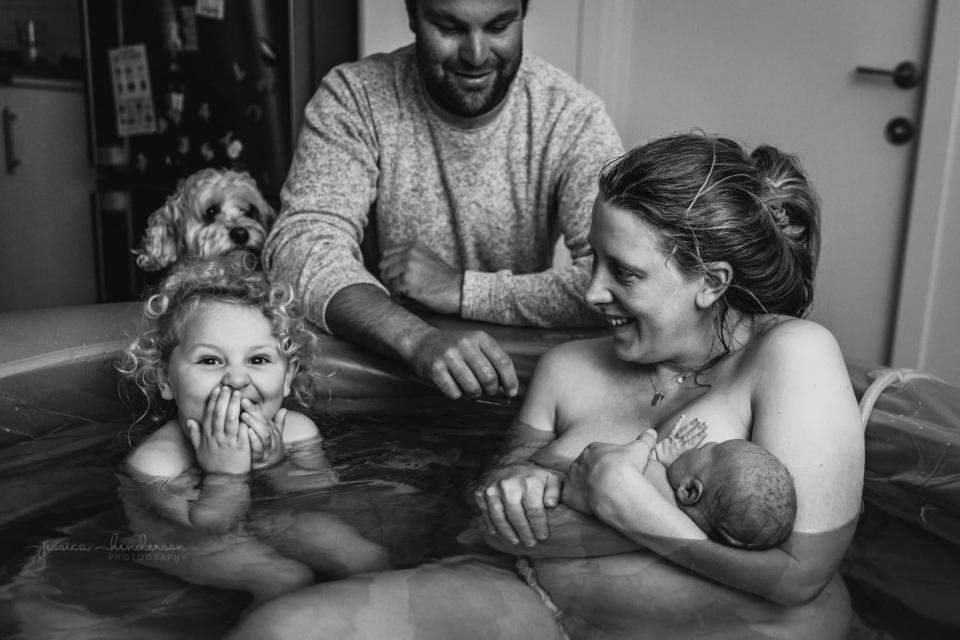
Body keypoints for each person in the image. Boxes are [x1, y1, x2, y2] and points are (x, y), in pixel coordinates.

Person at [227, 133, 863, 639]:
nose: (592, 293)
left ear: (712, 281)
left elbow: (797, 579)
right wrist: (532, 491)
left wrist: (622, 504)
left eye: (626, 273)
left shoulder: (790, 357)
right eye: (594, 264)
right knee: (277, 629)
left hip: (717, 628)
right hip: (532, 604)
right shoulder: (570, 368)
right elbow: (494, 517)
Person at [264, 0, 623, 401]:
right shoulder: (354, 97)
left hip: (517, 392)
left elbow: (614, 277)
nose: (476, 54)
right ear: (412, 16)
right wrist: (416, 340)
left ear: (524, 14)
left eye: (499, 26)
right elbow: (300, 248)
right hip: (384, 381)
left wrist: (461, 290)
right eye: (450, 28)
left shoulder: (572, 116)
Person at [117, 254, 391, 606]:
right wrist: (224, 475)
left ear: (288, 376)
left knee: (367, 560)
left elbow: (320, 496)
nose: (236, 378)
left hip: (269, 517)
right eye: (210, 360)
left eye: (258, 360)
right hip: (185, 543)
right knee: (286, 579)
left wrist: (276, 465)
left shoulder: (295, 430)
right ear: (165, 380)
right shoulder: (157, 460)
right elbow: (212, 527)